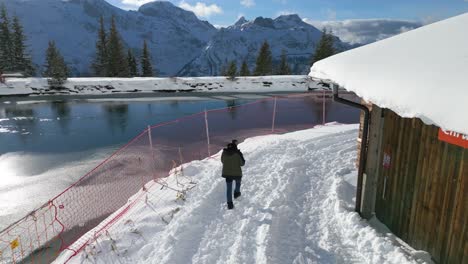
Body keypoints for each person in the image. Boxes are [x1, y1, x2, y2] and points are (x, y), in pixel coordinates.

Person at [221, 142, 245, 209]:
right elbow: (242, 163)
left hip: (227, 174)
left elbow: (222, 161)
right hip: (237, 173)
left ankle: (230, 204)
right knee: (238, 183)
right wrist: (240, 154)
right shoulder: (237, 154)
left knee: (229, 189)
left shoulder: (224, 153)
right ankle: (236, 194)